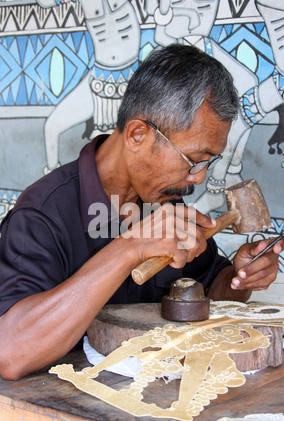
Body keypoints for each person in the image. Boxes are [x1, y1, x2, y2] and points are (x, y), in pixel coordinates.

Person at [0, 44, 282, 381]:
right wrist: (130, 246)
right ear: (137, 134)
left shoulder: (165, 202)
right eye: (194, 159)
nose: (200, 177)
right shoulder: (42, 215)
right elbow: (11, 353)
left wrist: (239, 279)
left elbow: (208, 291)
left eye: (209, 161)